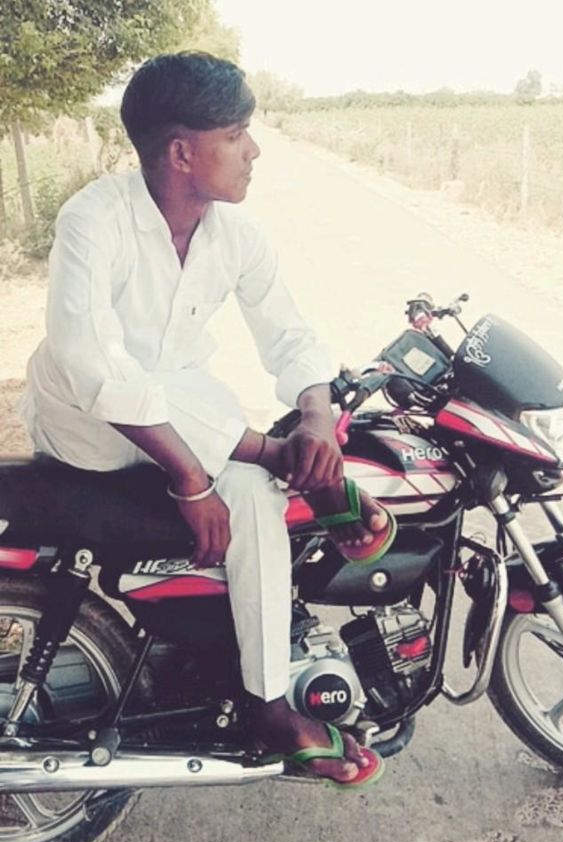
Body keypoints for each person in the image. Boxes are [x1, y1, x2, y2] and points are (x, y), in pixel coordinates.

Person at [22, 52, 391, 786]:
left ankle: (268, 702)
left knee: (253, 496)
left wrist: (317, 417)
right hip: (83, 428)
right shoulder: (94, 219)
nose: (253, 150)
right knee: (116, 367)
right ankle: (279, 456)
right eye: (236, 133)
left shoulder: (236, 236)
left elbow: (289, 335)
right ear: (182, 152)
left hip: (192, 426)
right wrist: (193, 478)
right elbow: (92, 364)